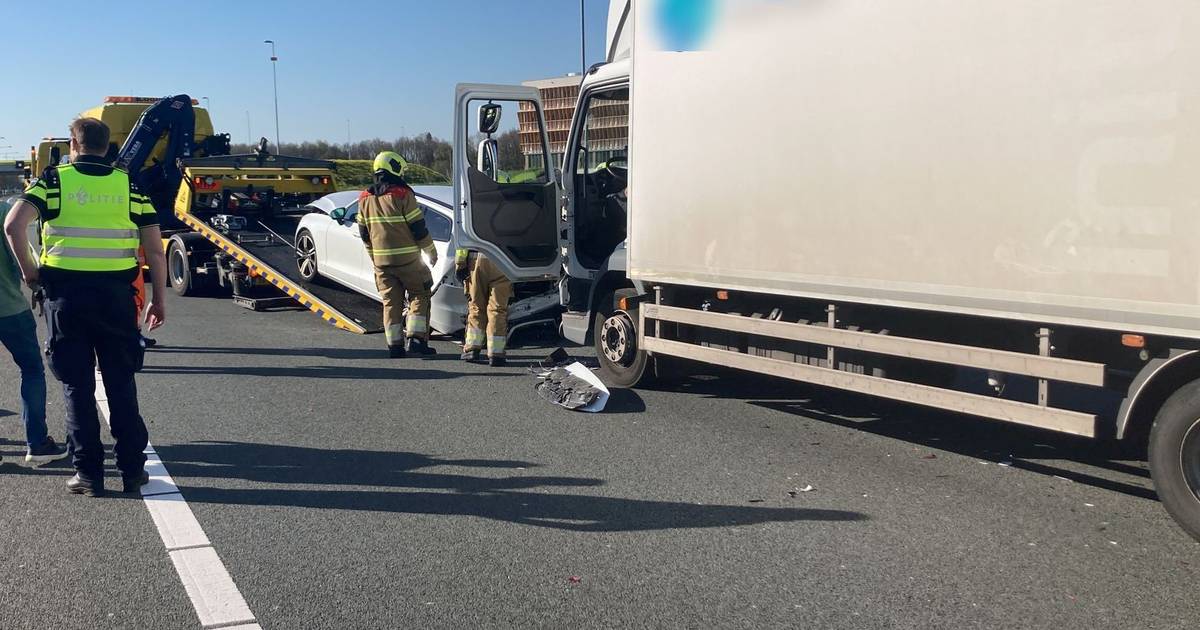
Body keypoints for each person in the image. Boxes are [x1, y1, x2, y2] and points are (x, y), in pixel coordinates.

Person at [3, 117, 166, 497]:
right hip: (116, 298)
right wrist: (158, 298)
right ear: (107, 148)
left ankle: (88, 475)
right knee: (121, 383)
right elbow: (156, 249)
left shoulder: (54, 181)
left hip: (67, 298)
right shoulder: (129, 184)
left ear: (73, 146)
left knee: (77, 386)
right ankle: (132, 471)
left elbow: (14, 225)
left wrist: (31, 273)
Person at [0, 198, 67, 465]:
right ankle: (37, 442)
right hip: (9, 308)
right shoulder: (3, 210)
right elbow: (19, 257)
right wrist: (35, 283)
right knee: (31, 369)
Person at [359, 151, 438, 358]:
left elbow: (364, 234)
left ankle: (394, 346)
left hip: (382, 263)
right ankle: (416, 339)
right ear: (394, 167)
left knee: (390, 302)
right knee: (419, 295)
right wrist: (430, 251)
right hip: (408, 260)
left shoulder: (364, 198)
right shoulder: (403, 194)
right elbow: (418, 227)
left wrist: (374, 257)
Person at [456, 249, 512, 367]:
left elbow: (463, 238)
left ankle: (472, 349)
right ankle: (496, 354)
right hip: (504, 259)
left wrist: (460, 264)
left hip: (476, 259)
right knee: (497, 310)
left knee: (476, 307)